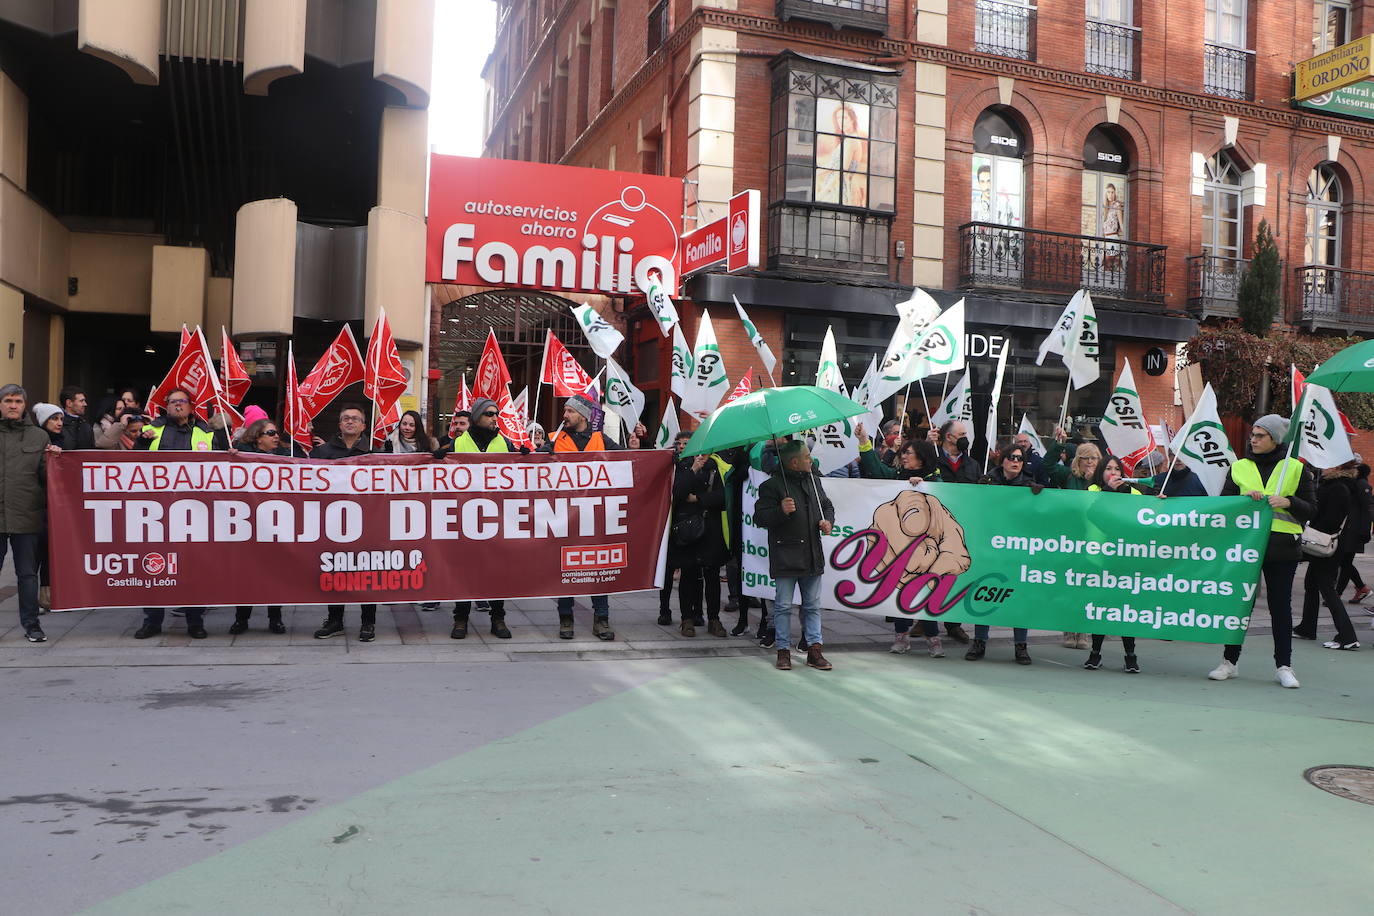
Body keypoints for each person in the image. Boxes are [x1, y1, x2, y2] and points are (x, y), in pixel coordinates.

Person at [1209, 415, 1316, 688]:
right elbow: (1224, 505)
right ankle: (1229, 662)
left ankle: (1284, 667)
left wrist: (1288, 501)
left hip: (1282, 549)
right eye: (1253, 435)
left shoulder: (1295, 468)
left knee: (1280, 608)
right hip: (1245, 548)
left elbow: (1312, 509)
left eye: (1260, 435)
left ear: (1276, 439)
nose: (1253, 440)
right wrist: (1243, 501)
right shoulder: (1239, 467)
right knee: (1239, 606)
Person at [130, 387, 226, 639]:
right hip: (157, 511)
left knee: (195, 569)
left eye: (182, 401)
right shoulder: (153, 431)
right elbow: (132, 466)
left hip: (194, 512)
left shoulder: (204, 432)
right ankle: (152, 621)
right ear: (166, 406)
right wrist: (141, 441)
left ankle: (195, 621)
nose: (177, 406)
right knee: (154, 567)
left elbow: (220, 465)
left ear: (191, 406)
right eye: (172, 402)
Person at [856, 423, 950, 656]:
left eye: (908, 453)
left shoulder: (934, 479)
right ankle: (901, 637)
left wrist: (926, 485)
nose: (904, 456)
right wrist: (864, 442)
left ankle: (933, 639)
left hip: (927, 549)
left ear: (921, 457)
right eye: (903, 452)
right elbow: (875, 469)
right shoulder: (897, 476)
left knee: (924, 592)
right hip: (898, 547)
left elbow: (944, 496)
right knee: (899, 590)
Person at [541, 394, 621, 640]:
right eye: (565, 411)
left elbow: (631, 460)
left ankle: (602, 619)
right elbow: (531, 463)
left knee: (598, 569)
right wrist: (523, 453)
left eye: (569, 411)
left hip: (595, 517)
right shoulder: (554, 440)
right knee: (565, 569)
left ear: (583, 415)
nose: (564, 415)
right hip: (564, 517)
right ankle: (566, 619)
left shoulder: (601, 440)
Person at [754, 440, 835, 671]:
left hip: (811, 553)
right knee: (782, 606)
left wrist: (828, 521)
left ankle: (814, 649)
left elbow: (827, 505)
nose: (811, 460)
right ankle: (783, 651)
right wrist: (780, 511)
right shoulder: (771, 486)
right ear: (794, 462)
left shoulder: (813, 480)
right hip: (786, 553)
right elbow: (760, 518)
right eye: (807, 457)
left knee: (812, 605)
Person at [445, 397, 520, 639]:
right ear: (477, 417)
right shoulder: (458, 444)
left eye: (495, 414)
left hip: (496, 520)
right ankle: (461, 619)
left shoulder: (504, 442)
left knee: (497, 572)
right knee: (465, 571)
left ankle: (498, 618)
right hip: (466, 519)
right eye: (489, 414)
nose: (494, 418)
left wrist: (536, 455)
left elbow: (523, 469)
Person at [312, 404, 379, 642]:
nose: (350, 422)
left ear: (363, 425)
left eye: (355, 419)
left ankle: (368, 622)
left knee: (367, 572)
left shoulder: (375, 452)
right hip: (334, 523)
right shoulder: (322, 453)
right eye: (346, 418)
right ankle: (334, 620)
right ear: (340, 424)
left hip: (367, 522)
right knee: (335, 571)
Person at [966, 444, 1034, 665]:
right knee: (984, 592)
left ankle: (1021, 645)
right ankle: (979, 641)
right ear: (1002, 460)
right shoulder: (987, 482)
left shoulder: (1030, 486)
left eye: (1020, 458)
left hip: (1017, 550)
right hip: (990, 547)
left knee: (1019, 597)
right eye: (1011, 457)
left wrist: (1040, 496)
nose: (1016, 461)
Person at [1, 384, 55, 643]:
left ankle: (32, 625)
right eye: (8, 401)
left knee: (27, 574)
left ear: (25, 405)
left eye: (18, 401)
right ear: (0, 404)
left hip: (27, 515)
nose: (13, 405)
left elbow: (47, 478)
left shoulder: (39, 437)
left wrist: (57, 462)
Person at [229, 418, 290, 635]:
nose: (276, 437)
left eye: (276, 433)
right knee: (247, 576)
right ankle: (241, 619)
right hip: (249, 526)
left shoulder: (287, 456)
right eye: (271, 433)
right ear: (257, 437)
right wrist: (230, 457)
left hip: (276, 526)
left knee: (275, 576)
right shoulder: (240, 457)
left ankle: (276, 619)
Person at [1083, 455, 1143, 673]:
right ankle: (1095, 653)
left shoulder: (1134, 493)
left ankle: (1130, 655)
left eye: (1117, 469)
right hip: (1097, 558)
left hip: (1125, 558)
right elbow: (1092, 514)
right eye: (1108, 468)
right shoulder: (1092, 491)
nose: (1113, 473)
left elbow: (1142, 519)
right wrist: (1108, 491)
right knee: (1101, 607)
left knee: (1125, 607)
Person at [1292, 461, 1361, 650]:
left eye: (1329, 464)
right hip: (1331, 545)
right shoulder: (1340, 486)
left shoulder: (1337, 488)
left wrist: (1310, 528)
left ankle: (1347, 636)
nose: (1324, 466)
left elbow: (1330, 520)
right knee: (1312, 584)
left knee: (1327, 589)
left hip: (1326, 545)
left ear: (1338, 468)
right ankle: (1306, 627)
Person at [1338, 458, 1373, 604]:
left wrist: (1365, 531)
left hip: (1355, 531)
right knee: (1343, 561)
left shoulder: (1362, 485)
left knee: (1345, 562)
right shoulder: (1353, 484)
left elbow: (1368, 508)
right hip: (1348, 530)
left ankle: (1337, 593)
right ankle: (1361, 588)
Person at [928, 420, 980, 484]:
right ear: (948, 437)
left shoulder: (973, 464)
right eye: (962, 434)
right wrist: (927, 444)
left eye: (965, 434)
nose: (965, 438)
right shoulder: (932, 460)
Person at [57, 385, 95, 450]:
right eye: (81, 401)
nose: (85, 404)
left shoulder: (86, 426)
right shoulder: (57, 425)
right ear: (69, 403)